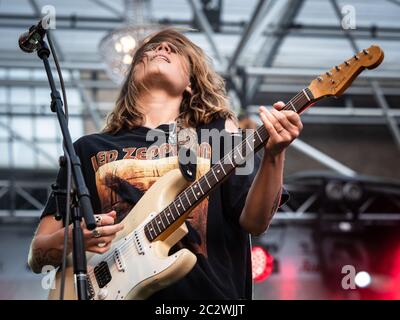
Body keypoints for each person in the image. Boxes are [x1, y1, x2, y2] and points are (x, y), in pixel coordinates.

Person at [28, 28, 303, 299]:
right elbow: (37, 254)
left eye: (174, 49)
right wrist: (73, 238)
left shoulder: (219, 133)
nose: (162, 48)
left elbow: (256, 221)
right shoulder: (87, 149)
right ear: (132, 77)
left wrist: (274, 154)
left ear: (190, 84)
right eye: (151, 48)